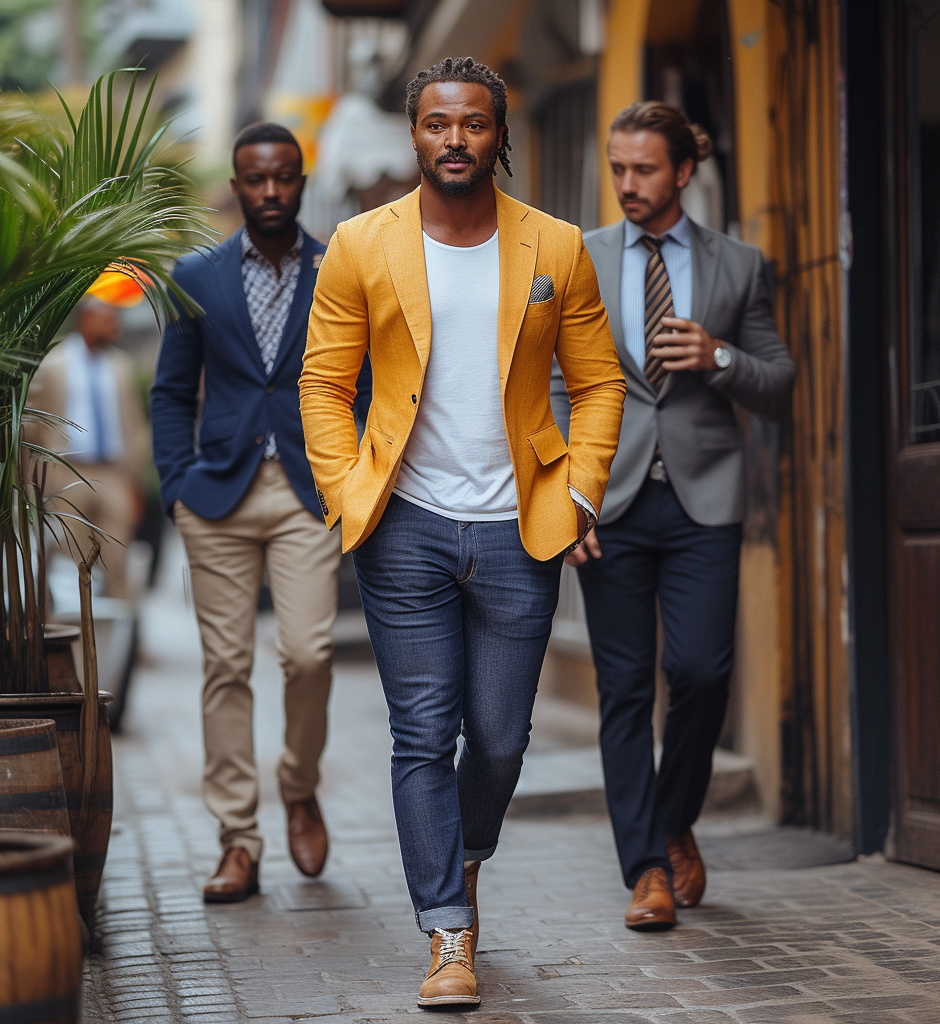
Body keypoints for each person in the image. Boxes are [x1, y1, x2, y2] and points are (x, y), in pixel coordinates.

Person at [300, 57, 625, 1009]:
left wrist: (585, 492)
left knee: (498, 739)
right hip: (404, 526)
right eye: (438, 124)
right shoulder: (362, 244)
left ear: (499, 135)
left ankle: (464, 852)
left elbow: (600, 381)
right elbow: (323, 385)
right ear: (415, 135)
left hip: (523, 523)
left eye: (474, 125)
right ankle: (448, 931)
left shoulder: (556, 246)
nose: (456, 140)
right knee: (420, 737)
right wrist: (343, 489)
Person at [553, 101, 796, 931]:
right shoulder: (579, 257)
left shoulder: (739, 266)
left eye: (644, 169)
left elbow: (780, 381)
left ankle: (674, 814)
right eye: (617, 168)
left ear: (683, 172)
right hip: (610, 504)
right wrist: (567, 498)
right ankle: (648, 868)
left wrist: (718, 357)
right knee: (622, 688)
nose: (626, 183)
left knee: (700, 673)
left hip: (705, 499)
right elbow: (556, 385)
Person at [151, 123, 371, 903]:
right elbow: (172, 391)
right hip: (216, 496)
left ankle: (298, 783)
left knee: (308, 655)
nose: (271, 192)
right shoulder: (196, 276)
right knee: (226, 669)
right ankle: (237, 841)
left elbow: (365, 382)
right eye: (256, 179)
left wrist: (353, 478)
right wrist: (176, 484)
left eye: (284, 178)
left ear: (301, 181)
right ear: (237, 186)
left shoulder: (340, 268)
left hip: (309, 493)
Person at [28, 295, 149, 599]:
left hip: (113, 474)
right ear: (86, 319)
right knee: (72, 560)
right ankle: (80, 637)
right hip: (68, 473)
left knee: (119, 558)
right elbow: (34, 423)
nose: (113, 324)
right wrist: (41, 476)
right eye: (106, 317)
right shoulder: (54, 364)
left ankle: (121, 637)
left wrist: (135, 479)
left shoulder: (121, 366)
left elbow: (134, 424)